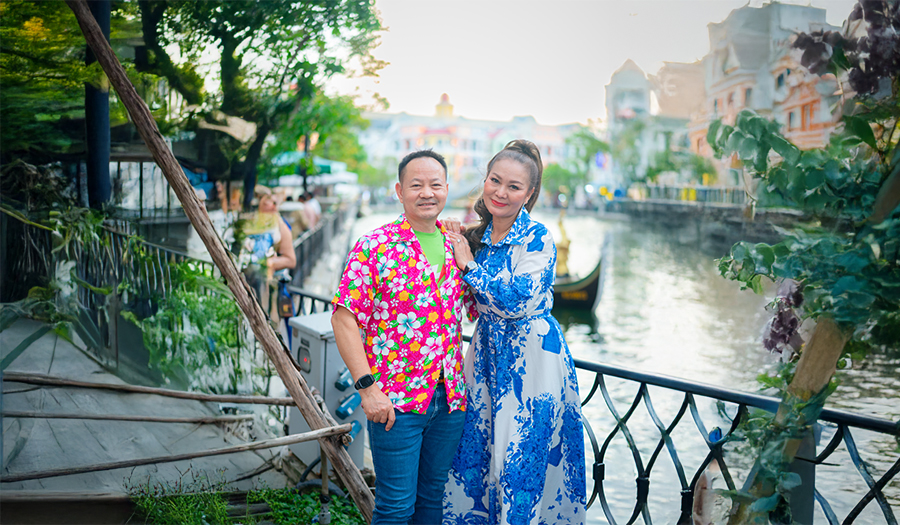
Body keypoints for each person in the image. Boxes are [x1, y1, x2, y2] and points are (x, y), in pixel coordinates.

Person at [443, 140, 586, 525]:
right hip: (486, 354)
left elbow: (517, 301)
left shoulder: (537, 237)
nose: (501, 192)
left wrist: (468, 266)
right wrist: (453, 247)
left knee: (519, 463)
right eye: (495, 180)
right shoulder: (480, 239)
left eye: (514, 186)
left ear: (529, 193)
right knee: (477, 453)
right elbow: (471, 305)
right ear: (485, 180)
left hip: (531, 360)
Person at [331, 150, 475, 525]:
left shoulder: (457, 245)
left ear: (447, 189)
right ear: (399, 191)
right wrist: (367, 389)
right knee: (395, 507)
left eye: (435, 184)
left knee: (432, 500)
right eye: (416, 185)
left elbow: (478, 308)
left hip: (450, 400)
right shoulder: (375, 245)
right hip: (395, 402)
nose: (427, 193)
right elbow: (344, 319)